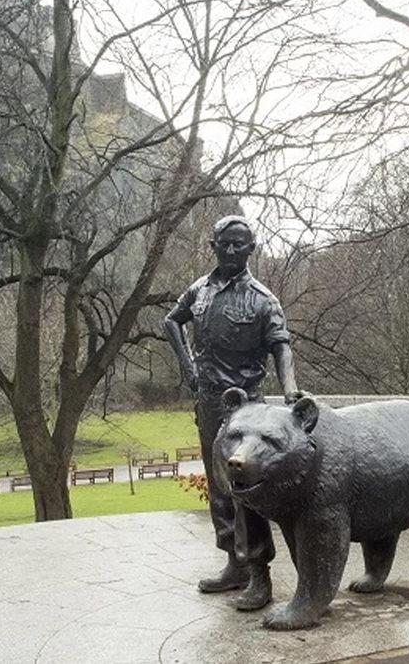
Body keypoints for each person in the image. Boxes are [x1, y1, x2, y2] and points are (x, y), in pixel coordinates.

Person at [163, 215, 301, 611]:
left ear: (251, 249)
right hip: (208, 403)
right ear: (214, 245)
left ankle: (259, 574)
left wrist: (290, 390)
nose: (231, 250)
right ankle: (233, 563)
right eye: (225, 243)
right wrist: (186, 367)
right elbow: (171, 320)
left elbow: (281, 346)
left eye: (240, 244)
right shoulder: (199, 290)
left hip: (246, 410)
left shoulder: (262, 299)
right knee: (220, 487)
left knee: (246, 489)